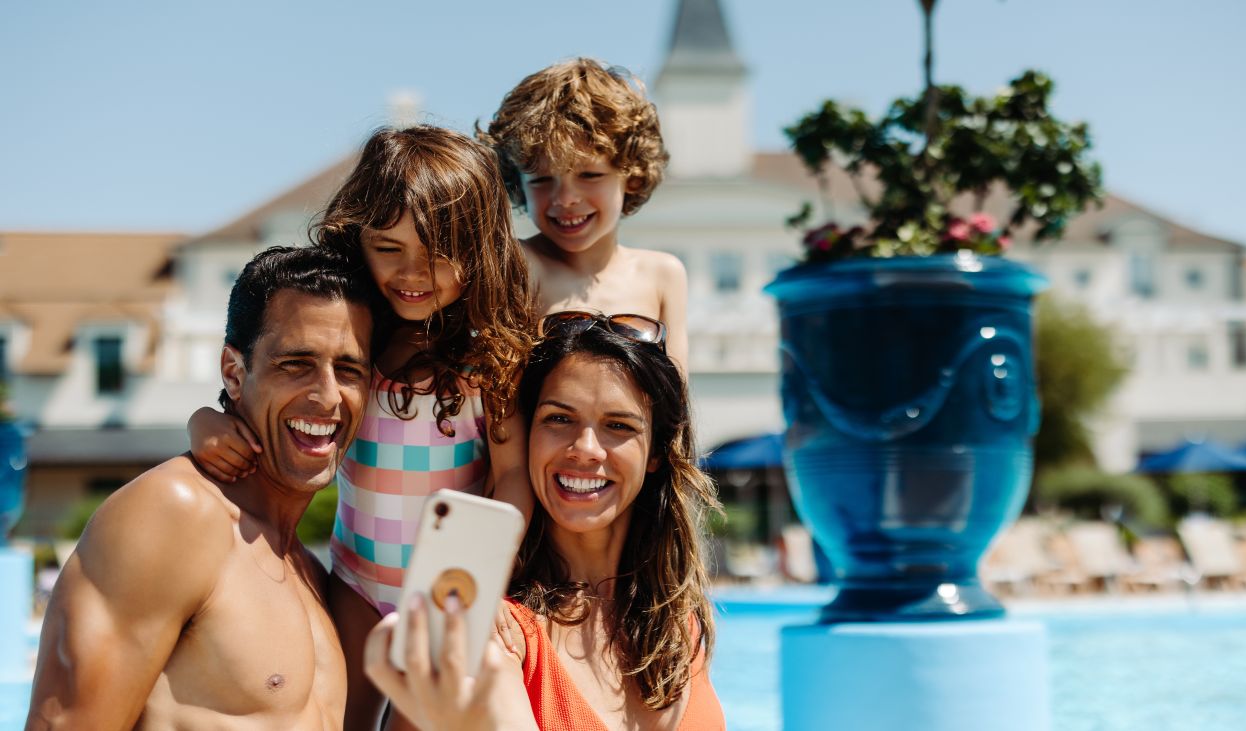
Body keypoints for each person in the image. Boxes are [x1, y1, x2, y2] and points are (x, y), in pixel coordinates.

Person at [186, 125, 536, 730]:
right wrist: (203, 422)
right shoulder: (352, 345)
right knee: (339, 720)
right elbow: (259, 406)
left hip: (446, 591)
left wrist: (483, 580)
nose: (412, 272)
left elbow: (512, 480)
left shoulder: (489, 363)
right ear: (358, 240)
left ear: (480, 250)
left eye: (437, 252)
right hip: (356, 582)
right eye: (389, 247)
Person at [26, 245, 373, 729]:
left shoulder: (312, 573)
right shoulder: (175, 513)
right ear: (233, 372)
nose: (329, 395)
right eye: (296, 364)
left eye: (349, 370)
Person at [366, 320, 726, 731]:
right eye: (558, 419)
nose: (585, 449)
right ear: (527, 438)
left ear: (656, 453)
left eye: (618, 426)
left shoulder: (677, 622)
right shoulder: (490, 634)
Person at [478, 58, 690, 370]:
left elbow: (676, 392)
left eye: (590, 175)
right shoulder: (517, 266)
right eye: (541, 180)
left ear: (632, 175)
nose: (565, 199)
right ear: (518, 185)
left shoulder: (663, 274)